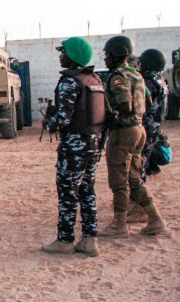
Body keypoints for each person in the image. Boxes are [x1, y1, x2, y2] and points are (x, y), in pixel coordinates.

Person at [40, 37, 103, 256]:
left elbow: (63, 119)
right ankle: (89, 240)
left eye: (63, 52)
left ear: (73, 55)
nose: (60, 56)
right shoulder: (94, 79)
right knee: (87, 192)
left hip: (74, 147)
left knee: (68, 193)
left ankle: (65, 241)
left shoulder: (70, 81)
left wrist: (49, 123)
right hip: (93, 144)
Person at [99, 35, 167, 238]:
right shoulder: (137, 75)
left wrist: (108, 116)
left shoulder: (117, 76)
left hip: (123, 132)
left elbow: (124, 104)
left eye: (107, 55)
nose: (105, 59)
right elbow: (146, 102)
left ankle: (119, 225)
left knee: (119, 181)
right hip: (139, 130)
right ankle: (155, 219)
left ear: (117, 55)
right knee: (134, 179)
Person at [127, 49, 169, 223]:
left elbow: (139, 104)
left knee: (137, 167)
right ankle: (136, 205)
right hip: (154, 127)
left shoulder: (148, 81)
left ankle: (140, 209)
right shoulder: (160, 80)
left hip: (144, 126)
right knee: (140, 165)